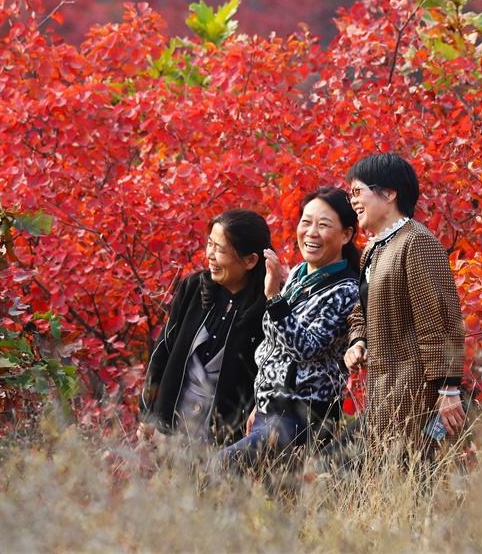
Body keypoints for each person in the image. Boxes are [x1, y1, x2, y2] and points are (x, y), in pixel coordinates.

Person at [215, 187, 360, 472]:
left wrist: (274, 298)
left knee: (218, 468)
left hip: (302, 419)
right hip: (270, 412)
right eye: (306, 222)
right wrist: (262, 400)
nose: (311, 232)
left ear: (346, 235)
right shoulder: (297, 274)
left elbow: (305, 347)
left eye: (324, 225)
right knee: (274, 500)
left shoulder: (346, 290)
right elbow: (275, 345)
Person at [343, 153, 465, 460]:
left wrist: (448, 389)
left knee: (414, 479)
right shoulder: (374, 247)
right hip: (384, 389)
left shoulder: (417, 242)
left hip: (417, 391)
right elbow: (363, 311)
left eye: (358, 192)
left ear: (389, 192)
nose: (353, 201)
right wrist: (358, 341)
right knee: (388, 484)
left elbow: (439, 319)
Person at [139, 209, 271, 445]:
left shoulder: (266, 308)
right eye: (210, 244)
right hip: (170, 429)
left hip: (222, 444)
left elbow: (269, 379)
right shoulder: (194, 287)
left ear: (251, 260)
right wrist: (148, 411)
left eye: (220, 249)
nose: (210, 254)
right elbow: (163, 351)